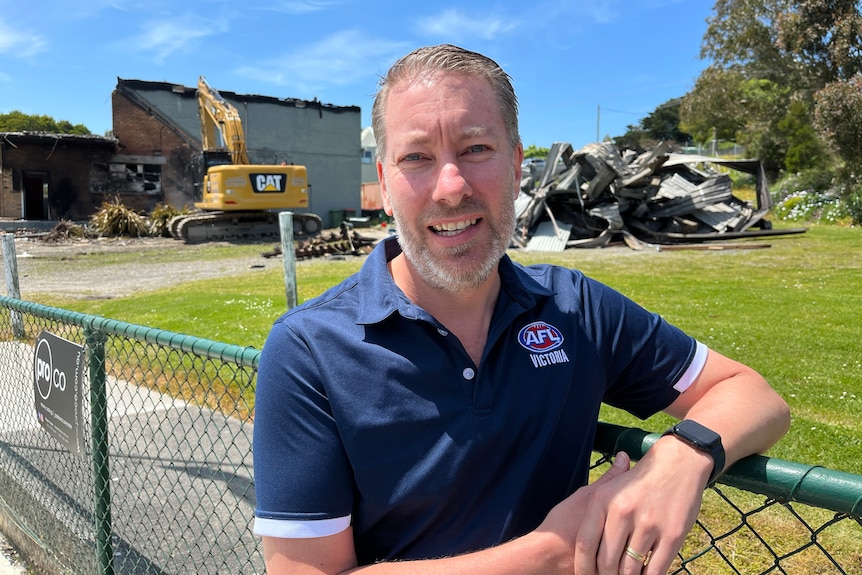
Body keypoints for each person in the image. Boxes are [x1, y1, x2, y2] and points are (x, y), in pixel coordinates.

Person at [252, 44, 790, 575]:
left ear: (515, 165)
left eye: (476, 148)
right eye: (417, 157)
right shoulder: (309, 349)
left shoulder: (575, 308)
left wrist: (680, 458)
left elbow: (752, 395)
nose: (451, 187)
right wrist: (553, 552)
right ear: (385, 184)